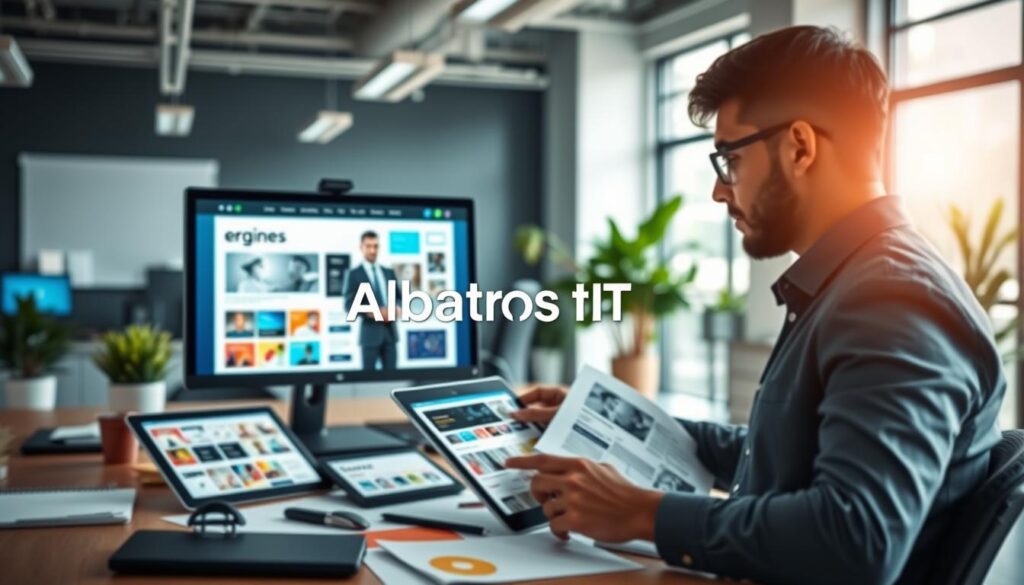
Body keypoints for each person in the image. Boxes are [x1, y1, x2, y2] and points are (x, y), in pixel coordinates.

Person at [504, 26, 1005, 585]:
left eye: (729, 161)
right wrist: (613, 421)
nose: (720, 191)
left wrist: (641, 513)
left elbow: (857, 538)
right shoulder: (853, 281)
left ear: (799, 146)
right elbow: (787, 449)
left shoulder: (891, 299)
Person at [344, 230, 403, 370]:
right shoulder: (354, 274)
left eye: (375, 246)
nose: (372, 250)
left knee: (392, 378)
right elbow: (348, 305)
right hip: (370, 336)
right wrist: (372, 312)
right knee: (368, 378)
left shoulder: (388, 272)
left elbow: (399, 298)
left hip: (390, 335)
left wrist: (397, 309)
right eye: (368, 246)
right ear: (361, 247)